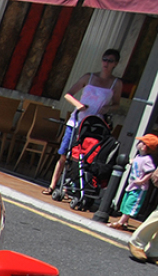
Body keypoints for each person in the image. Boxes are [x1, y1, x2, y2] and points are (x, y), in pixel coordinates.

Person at [45, 50, 122, 196]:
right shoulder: (89, 77)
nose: (106, 63)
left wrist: (108, 108)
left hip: (94, 125)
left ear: (115, 64)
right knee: (64, 153)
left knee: (84, 156)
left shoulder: (115, 83)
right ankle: (52, 184)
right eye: (105, 59)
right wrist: (78, 104)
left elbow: (117, 103)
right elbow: (69, 94)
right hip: (77, 121)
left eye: (110, 61)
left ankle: (72, 185)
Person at [110, 135, 158, 231]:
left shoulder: (147, 159)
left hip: (139, 188)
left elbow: (150, 172)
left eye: (141, 142)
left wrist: (142, 181)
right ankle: (125, 222)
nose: (138, 143)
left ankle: (121, 222)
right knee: (125, 203)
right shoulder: (139, 156)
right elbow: (135, 162)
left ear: (145, 146)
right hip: (132, 185)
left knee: (130, 204)